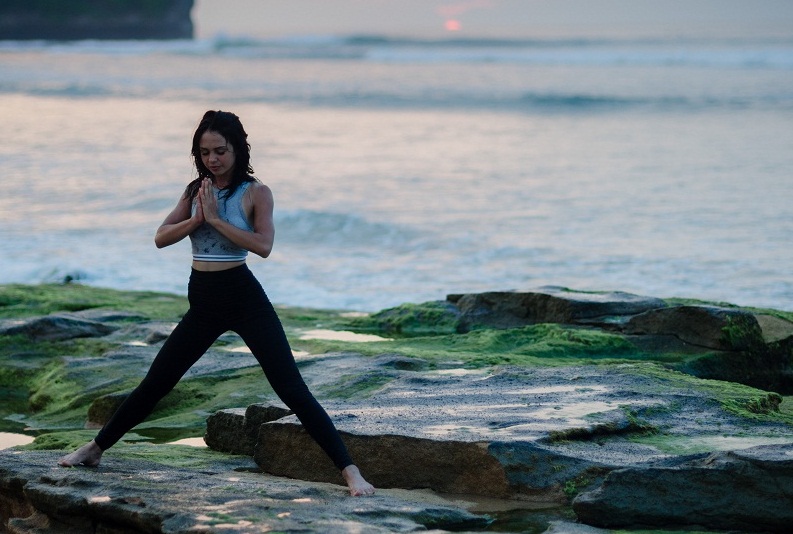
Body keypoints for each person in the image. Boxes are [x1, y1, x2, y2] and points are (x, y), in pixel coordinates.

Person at [59, 110, 375, 497]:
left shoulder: (256, 193)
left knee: (291, 388)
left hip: (244, 298)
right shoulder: (195, 190)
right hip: (204, 302)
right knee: (157, 381)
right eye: (205, 152)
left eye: (220, 151)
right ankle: (95, 449)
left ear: (238, 149)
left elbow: (263, 246)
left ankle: (351, 473)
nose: (213, 159)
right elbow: (160, 237)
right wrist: (195, 220)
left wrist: (216, 220)